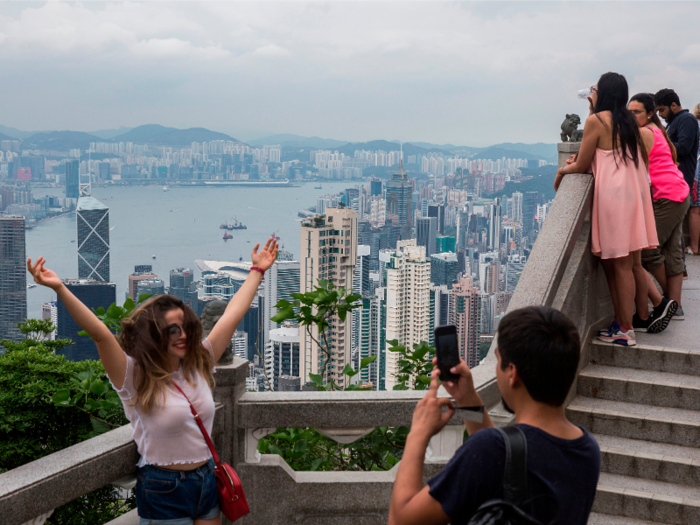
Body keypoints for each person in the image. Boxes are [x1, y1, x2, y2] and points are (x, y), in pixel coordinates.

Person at [27, 239, 279, 525]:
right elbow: (100, 334)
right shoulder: (134, 377)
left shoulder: (198, 362)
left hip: (207, 479)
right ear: (154, 334)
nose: (182, 334)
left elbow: (232, 316)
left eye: (185, 326)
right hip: (163, 487)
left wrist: (257, 270)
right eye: (172, 330)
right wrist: (60, 288)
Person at [387, 306, 600, 525]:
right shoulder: (587, 449)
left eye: (498, 361)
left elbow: (401, 519)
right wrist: (466, 397)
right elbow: (510, 461)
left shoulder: (489, 450)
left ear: (512, 373)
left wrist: (418, 433)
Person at [554, 72, 657, 346]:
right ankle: (620, 323)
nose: (592, 92)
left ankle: (625, 329)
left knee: (620, 264)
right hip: (633, 193)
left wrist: (562, 170)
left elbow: (582, 164)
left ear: (604, 93)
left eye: (594, 89)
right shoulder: (630, 122)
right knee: (616, 264)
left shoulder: (596, 121)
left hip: (613, 196)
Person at [627, 93, 686, 331]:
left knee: (646, 253)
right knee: (672, 253)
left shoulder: (643, 133)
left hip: (665, 197)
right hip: (679, 193)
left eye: (636, 112)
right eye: (628, 113)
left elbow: (618, 150)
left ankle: (665, 303)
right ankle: (676, 307)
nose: (632, 117)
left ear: (650, 113)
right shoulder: (657, 129)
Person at [655, 89, 700, 269]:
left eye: (662, 110)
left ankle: (678, 267)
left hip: (680, 181)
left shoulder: (686, 120)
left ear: (673, 105)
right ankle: (678, 269)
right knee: (675, 231)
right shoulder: (674, 122)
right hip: (673, 182)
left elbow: (683, 147)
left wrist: (656, 142)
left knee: (675, 230)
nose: (660, 114)